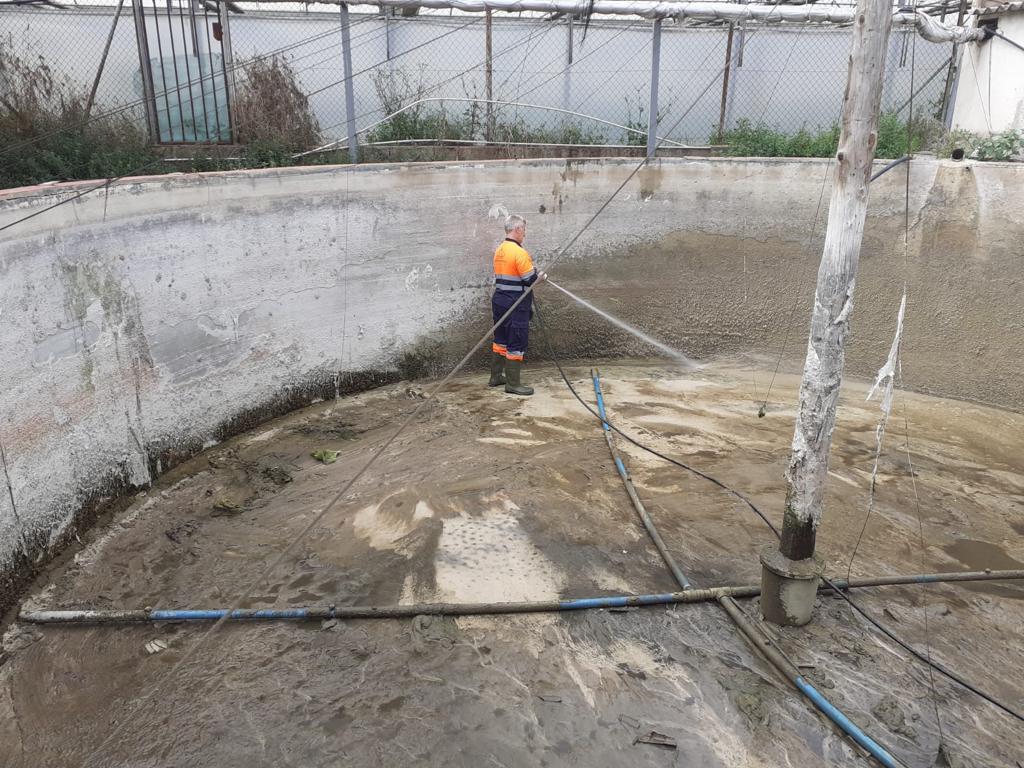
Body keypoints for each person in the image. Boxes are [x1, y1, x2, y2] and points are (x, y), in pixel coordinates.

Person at [488, 214, 545, 396]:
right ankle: (513, 384)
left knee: (501, 339)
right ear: (517, 229)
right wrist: (541, 277)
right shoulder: (519, 252)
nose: (525, 234)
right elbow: (530, 280)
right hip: (516, 303)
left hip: (500, 300)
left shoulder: (500, 250)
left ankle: (496, 376)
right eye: (524, 230)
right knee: (516, 341)